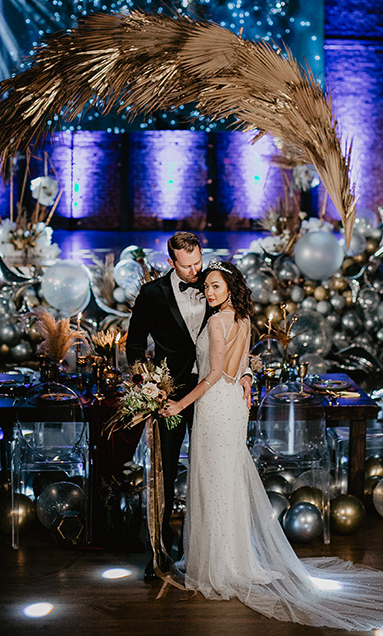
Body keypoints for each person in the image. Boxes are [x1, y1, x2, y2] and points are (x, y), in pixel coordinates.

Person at [162, 260, 383, 631]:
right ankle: (235, 559)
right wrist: (246, 380)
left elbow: (211, 375)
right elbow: (240, 367)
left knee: (214, 482)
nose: (209, 292)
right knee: (227, 482)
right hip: (233, 408)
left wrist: (179, 403)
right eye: (206, 287)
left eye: (215, 286)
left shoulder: (217, 322)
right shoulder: (241, 319)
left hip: (214, 407)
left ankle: (219, 567)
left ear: (230, 288)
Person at [126, 232, 251, 581]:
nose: (196, 271)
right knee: (162, 472)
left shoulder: (216, 285)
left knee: (213, 474)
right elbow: (134, 343)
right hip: (171, 395)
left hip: (213, 398)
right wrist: (148, 383)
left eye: (199, 262)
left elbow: (236, 340)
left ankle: (206, 551)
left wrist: (247, 374)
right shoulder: (152, 294)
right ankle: (159, 552)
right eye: (187, 266)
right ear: (171, 262)